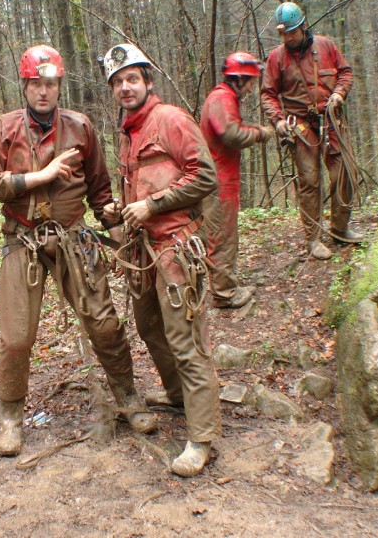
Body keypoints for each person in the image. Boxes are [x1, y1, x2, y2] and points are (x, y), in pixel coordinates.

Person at [0, 45, 157, 457]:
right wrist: (39, 177)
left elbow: (100, 188)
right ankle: (11, 418)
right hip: (22, 239)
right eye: (36, 84)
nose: (43, 92)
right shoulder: (3, 128)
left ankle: (127, 397)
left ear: (59, 86)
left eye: (50, 84)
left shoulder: (80, 126)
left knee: (104, 323)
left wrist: (118, 232)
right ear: (25, 86)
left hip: (74, 238)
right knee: (16, 336)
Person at [100, 43, 222, 477]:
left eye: (132, 78)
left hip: (174, 247)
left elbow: (204, 177)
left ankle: (202, 437)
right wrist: (122, 208)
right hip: (142, 251)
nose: (125, 87)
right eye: (117, 82)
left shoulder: (169, 119)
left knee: (186, 339)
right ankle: (177, 395)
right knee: (151, 328)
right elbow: (142, 183)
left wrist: (153, 205)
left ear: (148, 81)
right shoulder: (127, 131)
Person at [261, 1, 362, 260]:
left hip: (331, 121)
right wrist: (278, 120)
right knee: (309, 182)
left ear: (303, 26)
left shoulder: (326, 46)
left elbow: (346, 73)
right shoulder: (276, 58)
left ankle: (340, 228)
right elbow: (268, 95)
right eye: (283, 34)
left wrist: (339, 94)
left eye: (291, 32)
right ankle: (313, 239)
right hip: (301, 127)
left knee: (344, 174)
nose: (288, 38)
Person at [200, 52, 275, 308]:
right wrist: (260, 133)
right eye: (251, 82)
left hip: (221, 177)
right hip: (218, 180)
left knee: (223, 234)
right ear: (239, 79)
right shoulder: (222, 97)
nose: (253, 87)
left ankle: (225, 285)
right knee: (222, 236)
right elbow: (231, 134)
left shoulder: (225, 98)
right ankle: (223, 293)